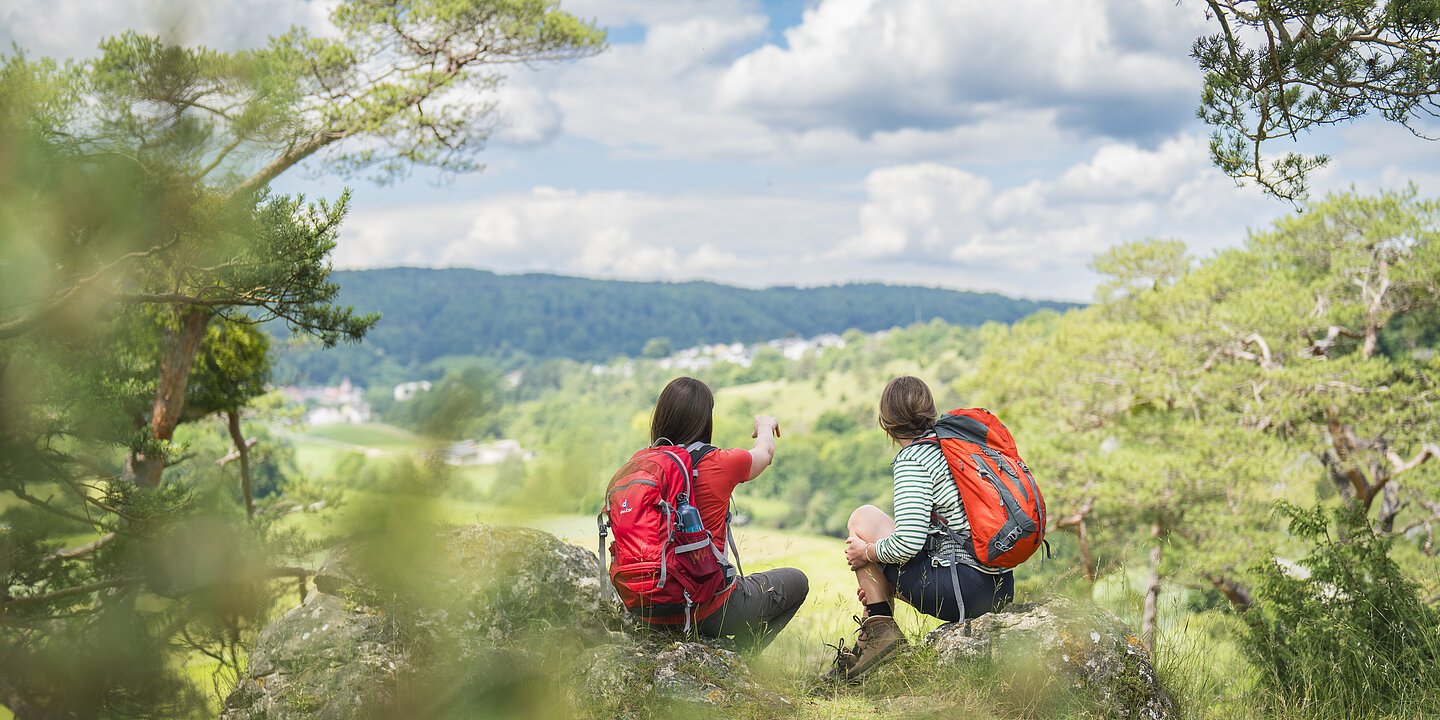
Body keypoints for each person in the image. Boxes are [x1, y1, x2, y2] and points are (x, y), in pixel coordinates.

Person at [836, 376, 1015, 681]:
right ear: (930, 412)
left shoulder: (913, 459)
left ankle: (881, 635)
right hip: (999, 586)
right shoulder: (952, 446)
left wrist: (864, 553)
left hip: (966, 590)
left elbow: (907, 544)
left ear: (886, 423)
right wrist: (880, 579)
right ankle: (875, 635)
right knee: (872, 537)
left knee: (861, 522)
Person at [650, 376, 808, 651]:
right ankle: (740, 659)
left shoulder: (645, 468)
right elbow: (765, 452)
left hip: (649, 608)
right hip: (707, 610)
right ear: (704, 420)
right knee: (796, 582)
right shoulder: (721, 462)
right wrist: (766, 425)